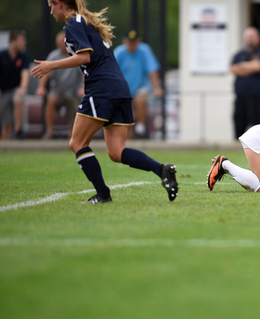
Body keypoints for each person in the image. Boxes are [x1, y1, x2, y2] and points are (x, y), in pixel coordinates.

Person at [32, 0, 178, 204]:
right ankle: (161, 169)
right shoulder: (87, 22)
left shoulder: (74, 22)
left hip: (101, 89)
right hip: (119, 88)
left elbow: (85, 57)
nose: (50, 10)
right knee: (116, 151)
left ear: (59, 3)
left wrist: (51, 65)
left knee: (77, 143)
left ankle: (103, 194)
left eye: (51, 5)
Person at [114, 30, 163, 139]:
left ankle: (140, 125)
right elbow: (112, 71)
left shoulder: (144, 50)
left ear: (138, 42)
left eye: (134, 42)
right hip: (124, 90)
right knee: (127, 121)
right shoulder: (119, 52)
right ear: (125, 42)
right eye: (130, 42)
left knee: (140, 98)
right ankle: (127, 146)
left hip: (141, 86)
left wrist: (156, 87)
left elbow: (152, 70)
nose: (132, 45)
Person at [35, 31, 84, 139]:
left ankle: (73, 134)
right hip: (58, 90)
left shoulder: (77, 54)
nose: (59, 44)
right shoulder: (53, 55)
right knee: (51, 99)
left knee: (76, 105)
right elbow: (45, 73)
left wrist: (83, 88)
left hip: (73, 91)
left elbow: (83, 74)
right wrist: (41, 87)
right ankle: (49, 132)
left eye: (61, 42)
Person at [229, 27, 260, 139]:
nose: (251, 39)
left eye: (253, 36)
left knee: (259, 129)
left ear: (259, 38)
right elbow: (233, 69)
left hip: (258, 96)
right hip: (241, 97)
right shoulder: (239, 54)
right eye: (248, 37)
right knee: (239, 124)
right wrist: (251, 66)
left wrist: (242, 67)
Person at [0, 30, 30, 140]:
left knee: (18, 99)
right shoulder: (2, 55)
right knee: (6, 124)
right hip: (3, 91)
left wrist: (23, 88)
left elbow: (25, 73)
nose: (24, 43)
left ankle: (18, 129)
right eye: (22, 41)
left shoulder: (24, 56)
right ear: (13, 41)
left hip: (16, 89)